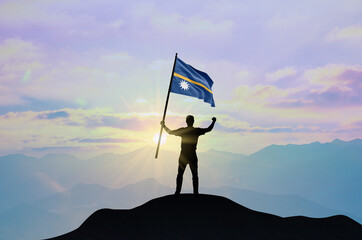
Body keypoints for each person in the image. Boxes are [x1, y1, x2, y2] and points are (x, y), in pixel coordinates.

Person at [161, 115, 216, 195]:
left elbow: (170, 132)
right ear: (193, 121)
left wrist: (163, 126)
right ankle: (195, 193)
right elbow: (208, 129)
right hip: (192, 155)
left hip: (184, 155)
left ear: (186, 122)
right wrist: (213, 122)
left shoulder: (183, 131)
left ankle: (177, 192)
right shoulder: (196, 131)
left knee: (180, 174)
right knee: (194, 175)